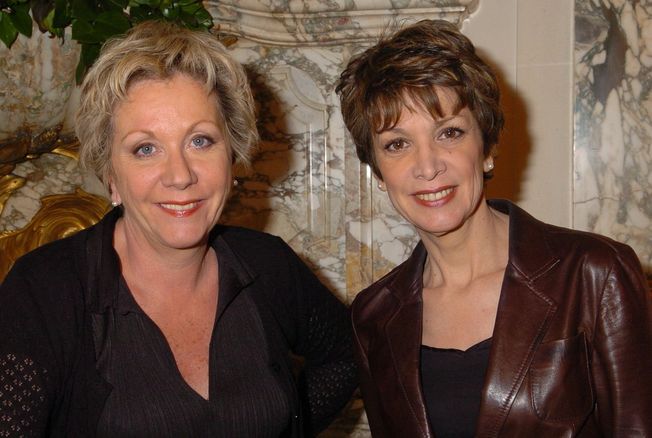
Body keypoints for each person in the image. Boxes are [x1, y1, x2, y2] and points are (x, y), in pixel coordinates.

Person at [0, 20, 357, 437]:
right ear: (111, 176)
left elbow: (349, 355)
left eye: (200, 141)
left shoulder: (269, 265)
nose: (180, 175)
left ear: (232, 157)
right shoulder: (43, 291)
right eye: (145, 148)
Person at [336, 19, 652, 437]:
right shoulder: (374, 316)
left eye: (449, 133)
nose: (427, 166)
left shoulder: (594, 273)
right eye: (397, 144)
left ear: (487, 148)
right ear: (378, 172)